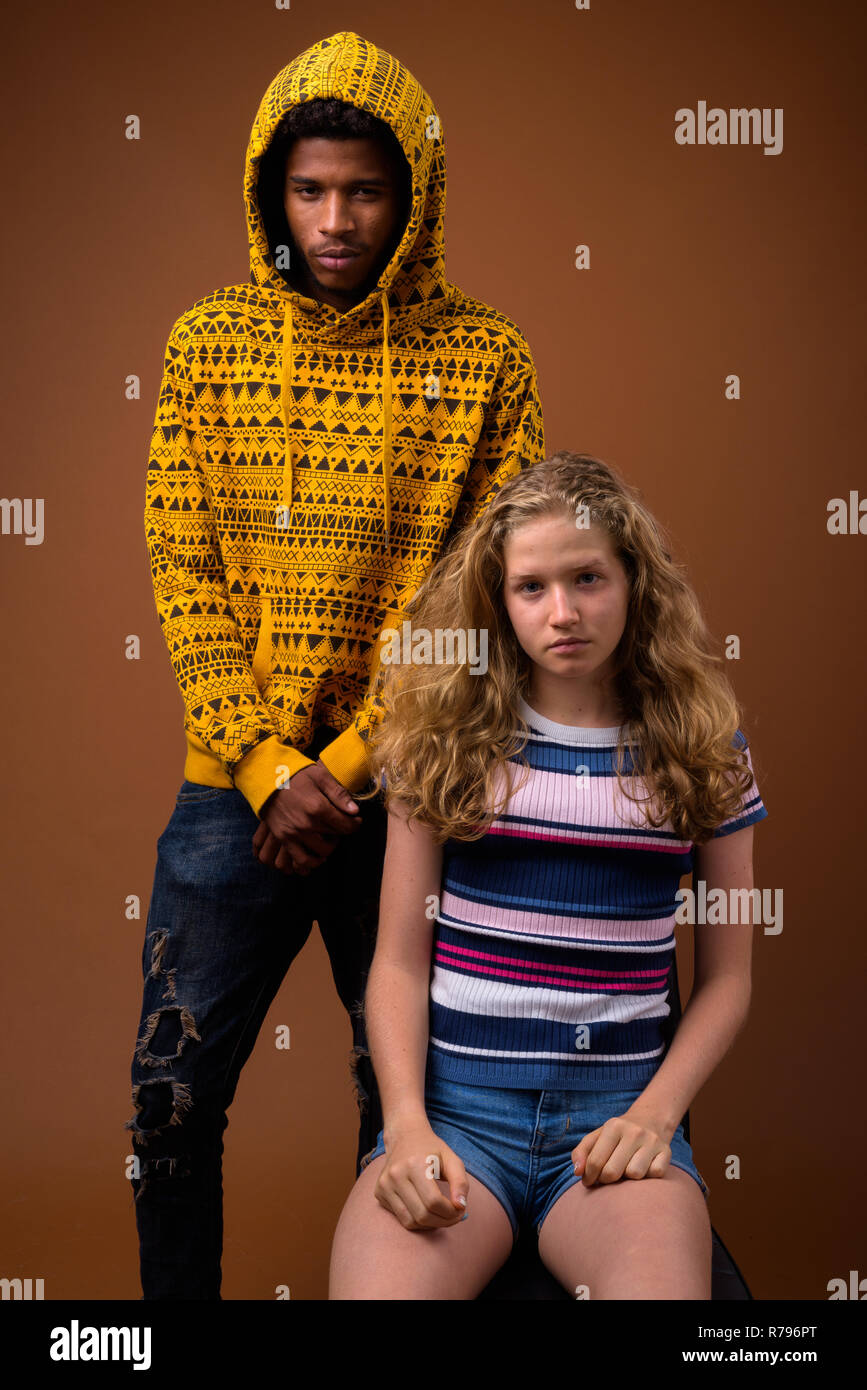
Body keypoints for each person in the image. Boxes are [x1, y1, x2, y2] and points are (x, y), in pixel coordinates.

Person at [128, 29, 545, 1300]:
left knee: (412, 1104)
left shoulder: (487, 358)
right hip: (232, 800)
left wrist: (350, 764)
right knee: (170, 1106)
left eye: (364, 189)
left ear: (411, 194)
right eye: (309, 189)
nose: (336, 217)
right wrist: (262, 762)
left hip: (406, 791)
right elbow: (182, 569)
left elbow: (484, 591)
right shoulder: (205, 346)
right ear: (272, 191)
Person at [329, 451, 769, 1300]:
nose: (562, 612)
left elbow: (727, 982)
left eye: (587, 578)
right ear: (498, 602)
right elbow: (397, 961)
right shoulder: (442, 741)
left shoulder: (706, 751)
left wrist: (653, 1118)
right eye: (530, 587)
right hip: (459, 1120)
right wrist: (406, 1124)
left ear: (634, 581)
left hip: (613, 1124)